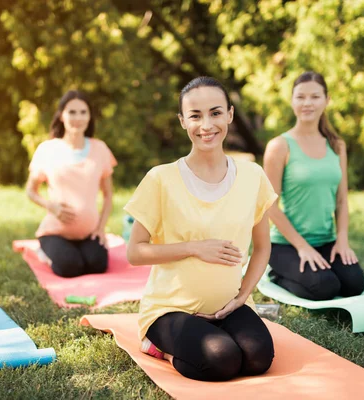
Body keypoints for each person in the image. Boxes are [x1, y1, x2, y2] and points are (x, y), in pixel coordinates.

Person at [125, 77, 277, 382]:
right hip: (171, 310)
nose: (206, 124)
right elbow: (134, 252)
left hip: (228, 306)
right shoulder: (161, 179)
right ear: (183, 122)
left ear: (230, 114)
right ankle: (160, 347)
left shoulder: (252, 176)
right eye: (195, 115)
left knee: (259, 357)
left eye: (215, 113)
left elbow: (262, 246)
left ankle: (214, 331)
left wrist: (243, 295)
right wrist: (196, 247)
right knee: (222, 360)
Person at [263, 71, 364, 301]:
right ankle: (277, 274)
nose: (307, 103)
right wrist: (302, 247)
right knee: (325, 288)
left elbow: (341, 200)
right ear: (292, 101)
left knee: (354, 284)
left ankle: (322, 267)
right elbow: (270, 206)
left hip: (326, 241)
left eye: (315, 97)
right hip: (286, 244)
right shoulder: (279, 146)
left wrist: (342, 240)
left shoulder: (336, 145)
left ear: (326, 100)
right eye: (300, 97)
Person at [26, 90, 117, 278]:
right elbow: (31, 191)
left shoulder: (100, 148)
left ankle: (79, 251)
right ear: (61, 115)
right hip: (55, 232)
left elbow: (108, 195)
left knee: (98, 264)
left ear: (90, 117)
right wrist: (52, 207)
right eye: (72, 112)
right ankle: (45, 252)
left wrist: (101, 229)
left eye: (83, 112)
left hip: (89, 233)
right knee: (69, 268)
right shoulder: (47, 149)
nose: (78, 118)